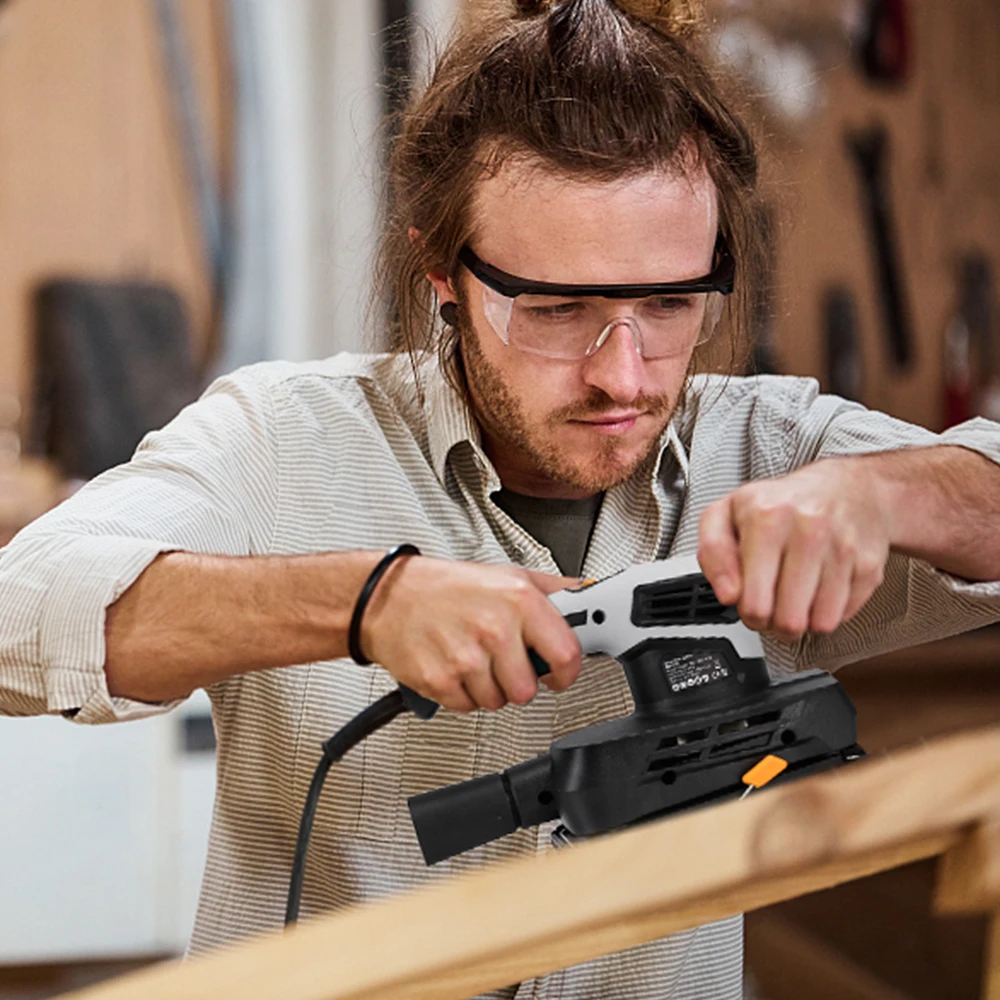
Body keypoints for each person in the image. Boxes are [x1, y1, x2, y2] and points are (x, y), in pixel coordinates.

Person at [2, 1, 1000, 997]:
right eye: (557, 310)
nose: (622, 375)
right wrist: (366, 601)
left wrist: (887, 492)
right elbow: (18, 611)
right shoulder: (281, 441)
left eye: (668, 304)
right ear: (444, 277)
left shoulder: (769, 451)